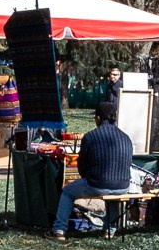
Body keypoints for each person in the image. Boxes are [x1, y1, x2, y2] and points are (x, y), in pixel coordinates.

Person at [53, 99, 137, 236]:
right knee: (113, 193)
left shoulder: (90, 137)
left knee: (68, 191)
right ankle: (109, 230)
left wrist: (88, 177)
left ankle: (59, 229)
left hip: (97, 183)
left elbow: (82, 165)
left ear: (98, 118)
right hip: (123, 185)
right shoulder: (126, 137)